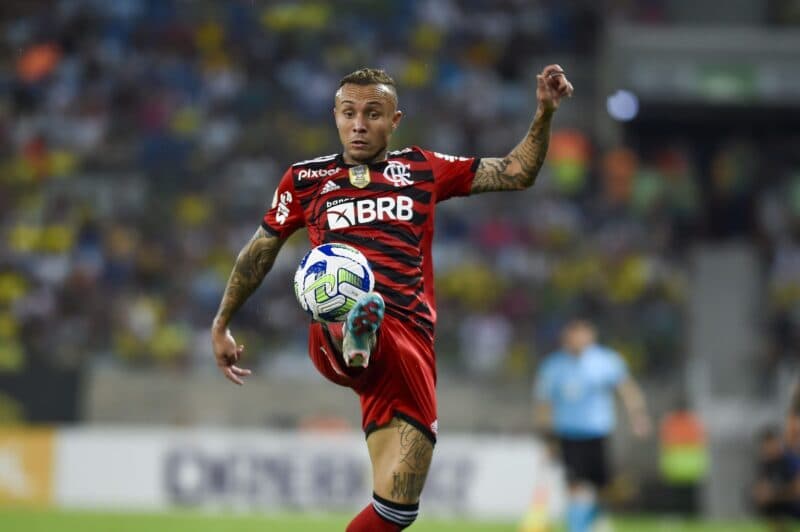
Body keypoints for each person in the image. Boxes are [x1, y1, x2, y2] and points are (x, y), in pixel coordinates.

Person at [211, 64, 573, 531]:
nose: (359, 123)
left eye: (372, 113)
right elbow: (259, 252)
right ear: (335, 117)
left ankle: (365, 330)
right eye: (348, 113)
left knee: (397, 508)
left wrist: (544, 112)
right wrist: (222, 323)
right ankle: (357, 329)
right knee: (348, 311)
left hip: (411, 348)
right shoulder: (305, 179)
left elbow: (516, 172)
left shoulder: (421, 168)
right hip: (334, 332)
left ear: (395, 120)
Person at [533, 319, 651, 532]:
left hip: (598, 432)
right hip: (568, 433)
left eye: (582, 334)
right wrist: (547, 438)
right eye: (573, 335)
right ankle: (578, 527)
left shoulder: (605, 360)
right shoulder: (553, 366)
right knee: (575, 484)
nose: (578, 340)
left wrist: (638, 415)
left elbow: (626, 388)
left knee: (601, 487)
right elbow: (544, 403)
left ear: (591, 336)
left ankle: (597, 520)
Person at [751, 426, 800, 531]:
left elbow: (797, 490)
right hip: (781, 501)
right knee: (760, 502)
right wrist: (760, 494)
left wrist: (774, 495)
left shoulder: (789, 460)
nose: (767, 449)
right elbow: (761, 486)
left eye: (770, 444)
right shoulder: (766, 463)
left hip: (794, 502)